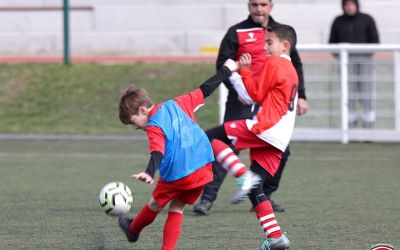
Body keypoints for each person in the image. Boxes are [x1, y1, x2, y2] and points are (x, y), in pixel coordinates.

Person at [116, 59, 257, 249]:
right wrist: (227, 69)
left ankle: (133, 230)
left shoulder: (153, 125)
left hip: (179, 173)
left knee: (155, 204)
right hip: (203, 169)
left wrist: (149, 172)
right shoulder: (178, 103)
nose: (135, 127)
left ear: (142, 110)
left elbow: (157, 150)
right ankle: (134, 231)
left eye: (133, 122)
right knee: (177, 207)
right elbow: (206, 89)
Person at [193, 0, 308, 215]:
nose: (259, 8)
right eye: (255, 4)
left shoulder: (280, 34)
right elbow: (223, 64)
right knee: (229, 144)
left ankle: (264, 193)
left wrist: (302, 95)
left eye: (263, 4)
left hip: (266, 103)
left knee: (274, 150)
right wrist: (236, 89)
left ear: (271, 6)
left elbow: (295, 63)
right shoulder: (236, 31)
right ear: (249, 6)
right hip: (243, 99)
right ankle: (208, 198)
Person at [202, 24, 298, 250]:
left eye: (269, 42)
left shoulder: (274, 62)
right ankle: (276, 238)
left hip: (266, 128)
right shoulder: (291, 69)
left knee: (210, 137)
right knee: (257, 189)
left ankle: (242, 174)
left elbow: (252, 95)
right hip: (281, 138)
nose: (265, 46)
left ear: (285, 45)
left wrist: (242, 70)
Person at [329, 0, 380, 128]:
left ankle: (369, 127)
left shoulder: (367, 19)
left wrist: (365, 55)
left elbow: (375, 40)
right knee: (348, 95)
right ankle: (349, 126)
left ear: (356, 5)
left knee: (366, 94)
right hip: (345, 63)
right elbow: (332, 42)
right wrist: (341, 56)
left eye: (352, 4)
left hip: (365, 61)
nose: (349, 7)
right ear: (343, 6)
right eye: (347, 4)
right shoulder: (338, 21)